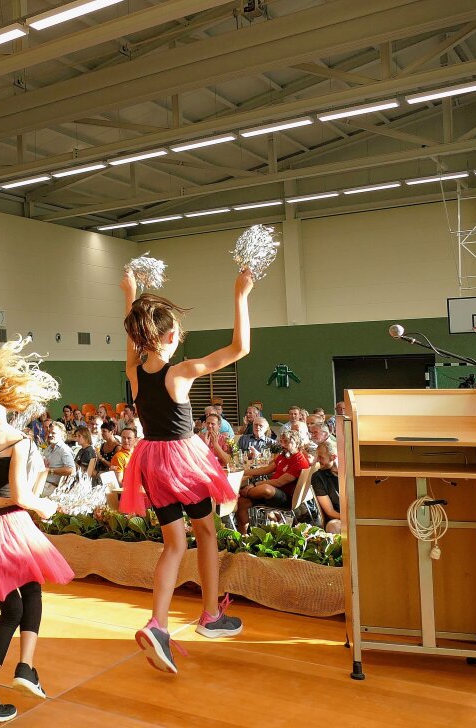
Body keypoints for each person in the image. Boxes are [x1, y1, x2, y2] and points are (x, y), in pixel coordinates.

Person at [120, 266, 253, 674]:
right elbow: (239, 348)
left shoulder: (134, 372)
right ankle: (210, 615)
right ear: (166, 337)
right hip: (183, 459)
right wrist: (241, 294)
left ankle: (158, 623)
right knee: (207, 531)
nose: (179, 337)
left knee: (173, 544)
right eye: (176, 332)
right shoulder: (180, 373)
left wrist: (131, 292)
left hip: (150, 461)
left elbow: (132, 340)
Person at [0, 329, 73, 724]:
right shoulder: (15, 439)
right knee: (13, 609)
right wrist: (48, 505)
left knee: (29, 591)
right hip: (8, 525)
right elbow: (22, 496)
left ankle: (26, 669)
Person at [237, 429, 310, 532]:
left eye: (287, 442)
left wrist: (253, 484)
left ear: (297, 443)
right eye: (281, 441)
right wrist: (244, 472)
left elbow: (279, 482)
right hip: (271, 494)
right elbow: (266, 469)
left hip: (285, 498)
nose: (283, 445)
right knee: (241, 503)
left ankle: (240, 492)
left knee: (265, 489)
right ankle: (243, 536)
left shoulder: (299, 461)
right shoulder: (284, 455)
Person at [311, 441, 341, 534]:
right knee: (333, 527)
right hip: (339, 518)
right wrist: (351, 519)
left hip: (358, 514)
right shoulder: (318, 477)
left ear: (333, 457)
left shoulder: (348, 473)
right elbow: (330, 512)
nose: (317, 460)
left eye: (321, 457)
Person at [42, 422, 75, 497]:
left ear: (62, 435)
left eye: (53, 433)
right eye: (49, 432)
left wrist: (50, 470)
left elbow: (71, 470)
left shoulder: (64, 450)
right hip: (43, 483)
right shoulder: (48, 448)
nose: (50, 435)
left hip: (52, 488)